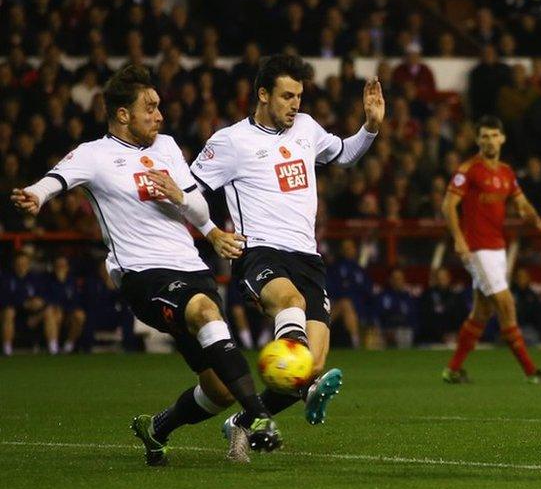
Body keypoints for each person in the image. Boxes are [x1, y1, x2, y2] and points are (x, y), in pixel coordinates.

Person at [11, 64, 280, 466]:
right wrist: (36, 194)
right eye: (150, 107)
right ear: (123, 114)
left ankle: (157, 429)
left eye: (159, 107)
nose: (159, 115)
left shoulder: (167, 147)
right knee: (205, 311)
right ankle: (259, 417)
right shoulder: (95, 155)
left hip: (190, 268)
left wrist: (184, 201)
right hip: (143, 275)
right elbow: (57, 178)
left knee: (220, 389)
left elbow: (198, 205)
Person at [190, 54, 384, 457]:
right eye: (286, 96)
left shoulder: (307, 129)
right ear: (263, 94)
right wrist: (212, 234)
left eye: (299, 96)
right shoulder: (229, 142)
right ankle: (304, 389)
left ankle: (241, 422)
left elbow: (343, 154)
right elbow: (189, 193)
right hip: (259, 252)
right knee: (290, 304)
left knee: (310, 364)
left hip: (307, 257)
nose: (295, 104)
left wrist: (370, 128)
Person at [441, 116, 541, 384]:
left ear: (502, 139)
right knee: (506, 304)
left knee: (482, 312)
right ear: (478, 140)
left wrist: (538, 221)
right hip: (477, 249)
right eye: (485, 136)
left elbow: (522, 203)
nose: (490, 140)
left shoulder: (506, 172)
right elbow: (448, 206)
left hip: (497, 248)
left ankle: (453, 370)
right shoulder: (468, 170)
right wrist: (459, 239)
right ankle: (531, 371)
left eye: (494, 135)